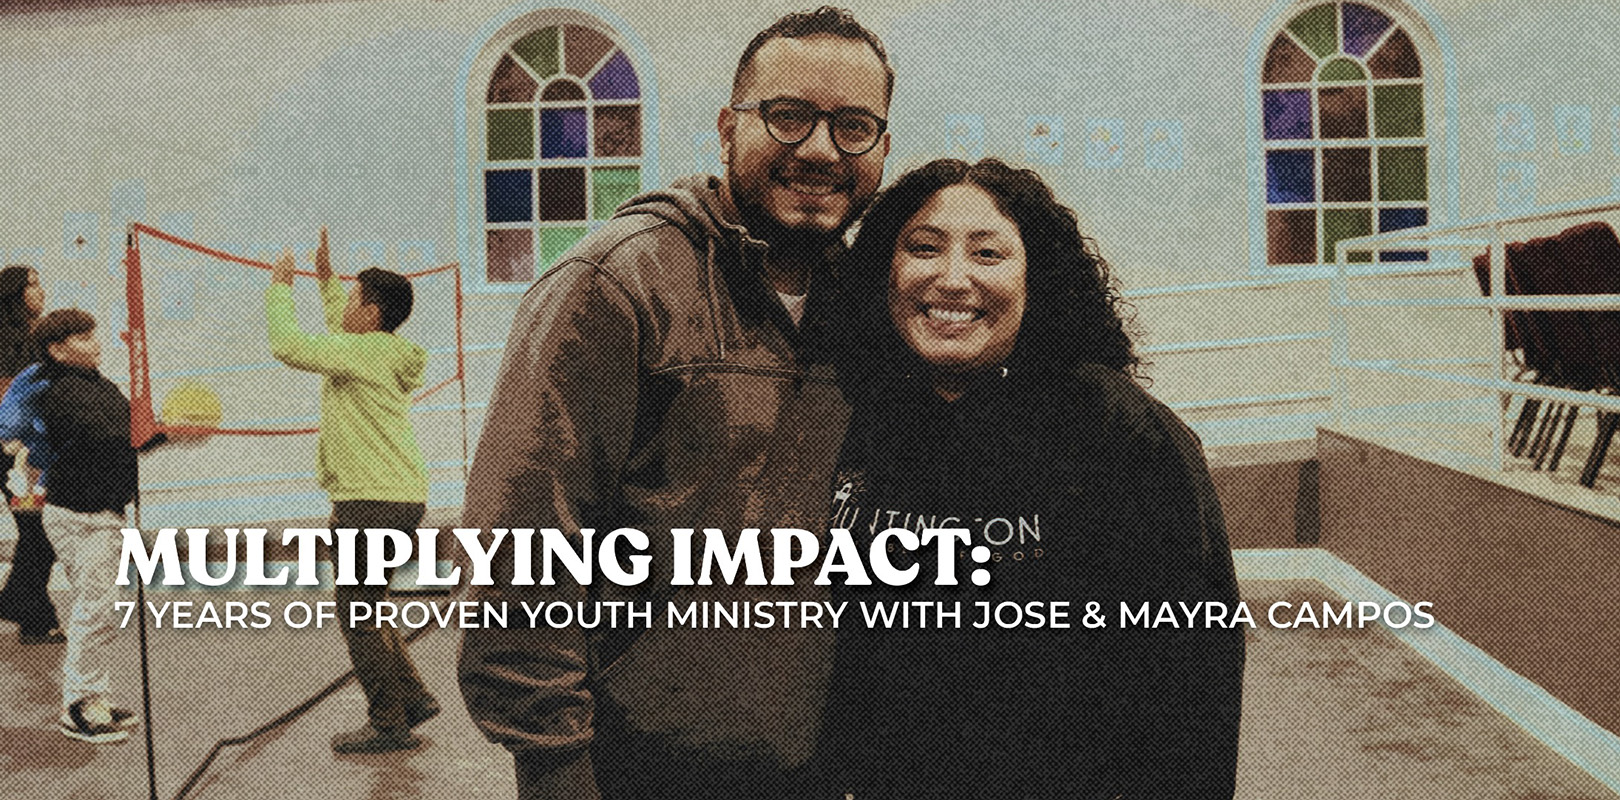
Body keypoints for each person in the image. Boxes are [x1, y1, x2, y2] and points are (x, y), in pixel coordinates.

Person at [456, 7, 893, 799]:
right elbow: (522, 543)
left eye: (853, 126)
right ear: (730, 128)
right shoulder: (617, 285)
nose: (821, 150)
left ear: (882, 150)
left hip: (821, 767)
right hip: (641, 770)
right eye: (789, 116)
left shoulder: (871, 305)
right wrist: (553, 765)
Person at [816, 158, 1246, 799]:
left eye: (988, 254)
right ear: (886, 273)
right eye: (924, 248)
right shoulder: (855, 421)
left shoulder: (1120, 436)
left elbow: (1193, 675)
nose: (952, 279)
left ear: (1033, 278)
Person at [266, 229, 439, 754]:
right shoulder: (378, 351)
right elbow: (343, 330)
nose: (346, 302)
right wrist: (324, 282)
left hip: (369, 501)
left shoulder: (363, 353)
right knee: (371, 602)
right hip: (400, 497)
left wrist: (280, 289)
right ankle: (412, 696)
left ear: (371, 313)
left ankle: (388, 721)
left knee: (357, 609)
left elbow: (288, 346)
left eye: (353, 295)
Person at [27, 309, 142, 742]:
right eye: (82, 336)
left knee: (100, 609)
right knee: (96, 610)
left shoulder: (103, 387)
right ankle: (78, 706)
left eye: (93, 333)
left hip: (103, 513)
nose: (95, 341)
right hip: (80, 516)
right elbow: (103, 434)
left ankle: (95, 697)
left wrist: (166, 430)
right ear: (58, 350)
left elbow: (133, 434)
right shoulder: (57, 391)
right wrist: (141, 429)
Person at [0, 264, 63, 645]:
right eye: (32, 285)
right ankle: (27, 612)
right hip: (13, 454)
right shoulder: (9, 341)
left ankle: (28, 613)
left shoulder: (28, 338)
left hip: (22, 452)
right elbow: (11, 399)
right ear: (14, 295)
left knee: (37, 533)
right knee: (38, 532)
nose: (40, 291)